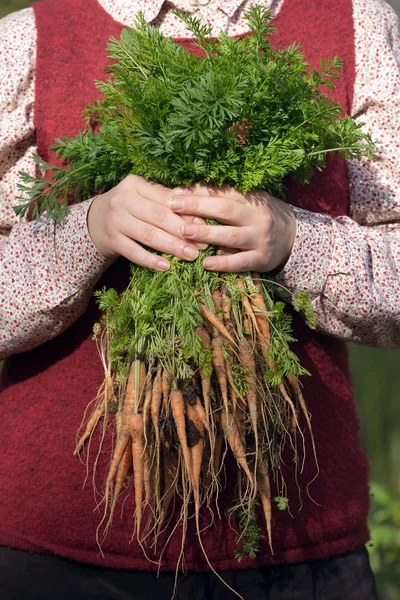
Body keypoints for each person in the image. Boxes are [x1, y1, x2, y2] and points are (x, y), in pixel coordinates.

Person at [0, 0, 398, 597]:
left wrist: (294, 240)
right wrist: (88, 229)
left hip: (300, 550)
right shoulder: (30, 39)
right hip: (57, 555)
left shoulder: (355, 24)